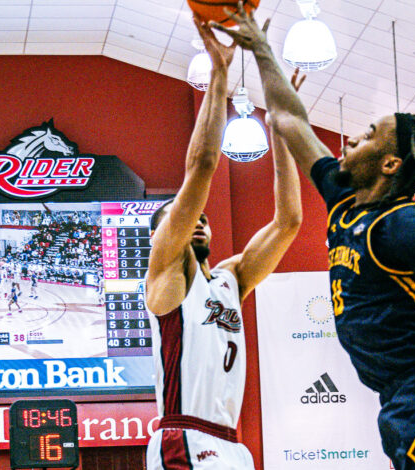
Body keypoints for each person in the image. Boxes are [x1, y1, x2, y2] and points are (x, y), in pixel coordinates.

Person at [210, 4, 415, 470]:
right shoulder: (343, 198)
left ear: (390, 164)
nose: (349, 142)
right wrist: (260, 48)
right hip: (397, 398)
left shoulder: (406, 225)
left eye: (367, 136)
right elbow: (287, 119)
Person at [143, 19, 302, 470]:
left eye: (204, 219)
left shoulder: (231, 279)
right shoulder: (168, 277)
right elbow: (204, 164)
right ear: (164, 235)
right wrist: (219, 74)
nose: (199, 222)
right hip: (185, 437)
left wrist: (282, 127)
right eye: (186, 217)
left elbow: (289, 220)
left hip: (230, 442)